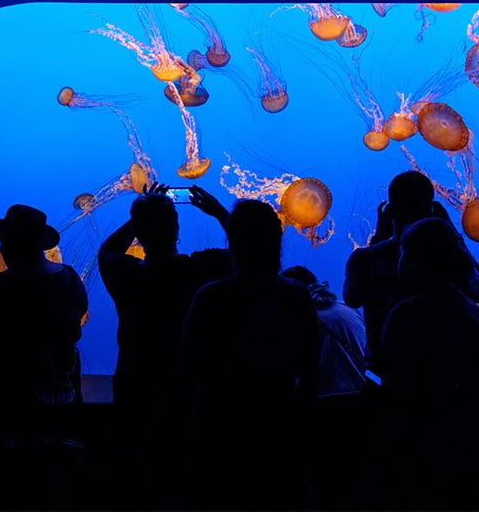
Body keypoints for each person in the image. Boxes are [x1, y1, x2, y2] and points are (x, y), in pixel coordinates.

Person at [180, 199, 321, 510]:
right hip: (279, 427)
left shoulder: (211, 298)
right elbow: (312, 370)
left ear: (233, 243)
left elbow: (189, 368)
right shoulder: (296, 294)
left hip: (220, 430)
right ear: (277, 242)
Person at [96, 182, 230, 508]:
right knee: (182, 476)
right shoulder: (195, 270)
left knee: (136, 473)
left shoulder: (124, 273)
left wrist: (140, 218)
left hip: (133, 384)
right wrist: (217, 211)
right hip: (183, 388)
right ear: (176, 228)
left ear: (139, 236)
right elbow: (246, 253)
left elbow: (106, 252)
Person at [0, 203, 89, 510]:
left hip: (8, 402)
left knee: (10, 480)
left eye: (2, 244)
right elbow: (74, 330)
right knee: (56, 476)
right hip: (59, 398)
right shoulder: (69, 279)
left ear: (10, 246)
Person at [375, 216, 479, 511]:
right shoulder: (477, 316)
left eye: (405, 255)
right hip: (474, 455)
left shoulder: (407, 316)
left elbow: (395, 392)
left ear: (415, 263)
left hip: (420, 458)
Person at [345, 170, 479, 375]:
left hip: (384, 374)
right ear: (431, 211)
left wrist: (378, 238)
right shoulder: (446, 261)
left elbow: (352, 298)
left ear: (389, 211)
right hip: (440, 376)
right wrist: (452, 235)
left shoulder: (363, 259)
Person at [282, 264, 370, 510]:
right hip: (359, 399)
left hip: (327, 402)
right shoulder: (346, 309)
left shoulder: (306, 316)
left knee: (322, 474)